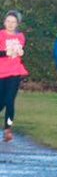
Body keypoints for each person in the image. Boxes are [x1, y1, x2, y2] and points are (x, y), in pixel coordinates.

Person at [0, 10, 28, 142]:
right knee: (1, 101)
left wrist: (19, 51)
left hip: (15, 72)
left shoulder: (20, 37)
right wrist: (6, 53)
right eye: (8, 21)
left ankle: (8, 129)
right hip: (1, 72)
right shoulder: (0, 35)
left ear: (17, 24)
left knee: (10, 101)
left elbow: (20, 50)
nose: (11, 24)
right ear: (4, 22)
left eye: (13, 22)